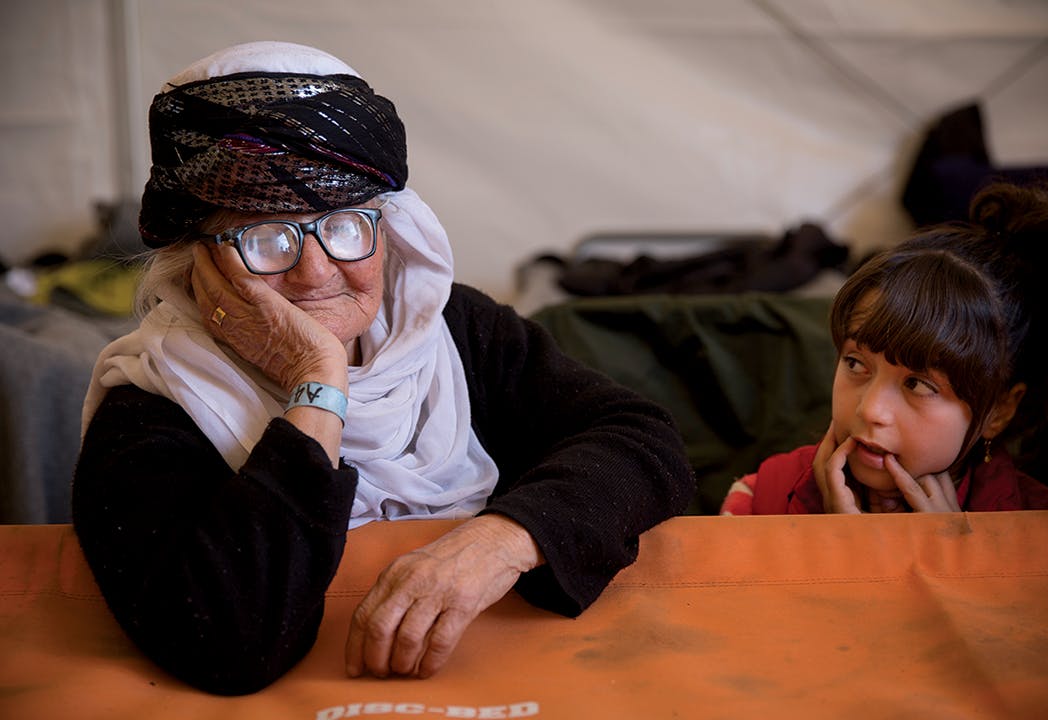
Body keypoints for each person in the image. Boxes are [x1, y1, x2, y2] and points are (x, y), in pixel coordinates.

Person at [71, 41, 695, 695]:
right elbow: (231, 644)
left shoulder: (450, 331)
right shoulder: (149, 409)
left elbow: (642, 442)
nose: (315, 272)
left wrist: (500, 540)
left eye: (344, 226)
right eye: (266, 237)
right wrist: (316, 383)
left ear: (389, 227)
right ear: (197, 262)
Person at [721, 181, 1048, 515]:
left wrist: (954, 566)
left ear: (999, 410)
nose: (871, 409)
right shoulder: (759, 500)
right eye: (856, 364)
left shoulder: (1047, 539)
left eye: (918, 384)